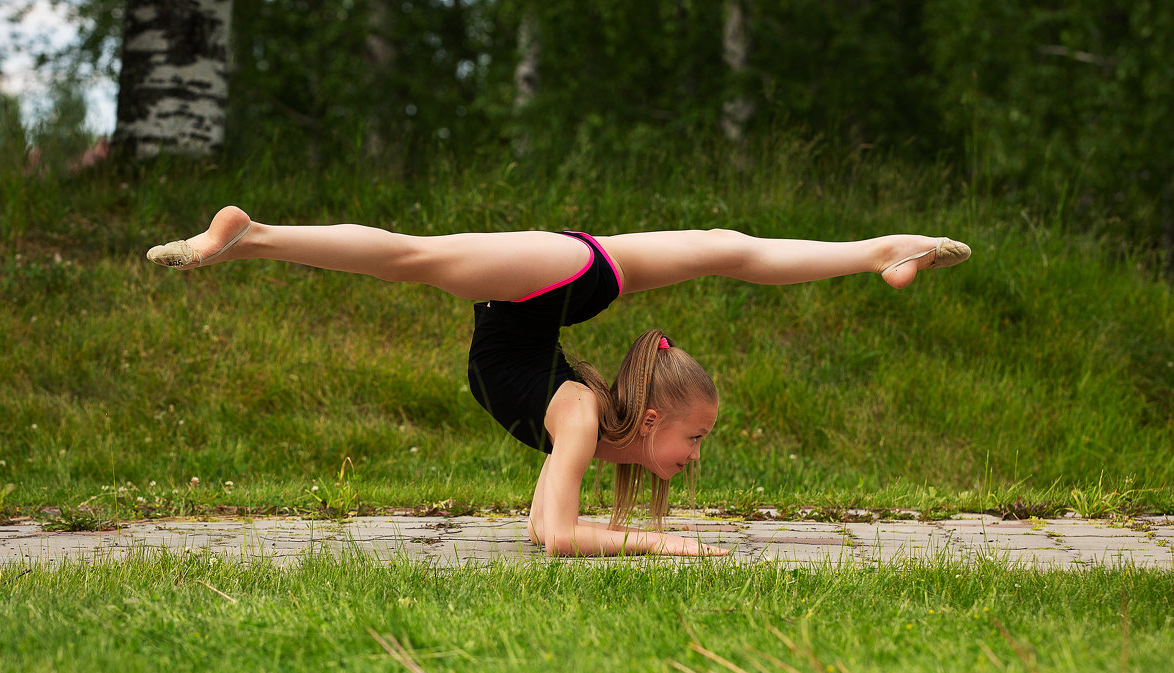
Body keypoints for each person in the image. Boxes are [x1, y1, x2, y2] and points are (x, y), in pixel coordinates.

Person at [148, 207, 970, 557]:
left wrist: (637, 536)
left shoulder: (575, 416)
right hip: (558, 277)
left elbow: (547, 523)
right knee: (415, 257)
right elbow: (559, 537)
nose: (697, 455)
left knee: (732, 247)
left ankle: (882, 251)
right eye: (696, 437)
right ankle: (251, 236)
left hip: (560, 288)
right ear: (651, 419)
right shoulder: (575, 411)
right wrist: (665, 542)